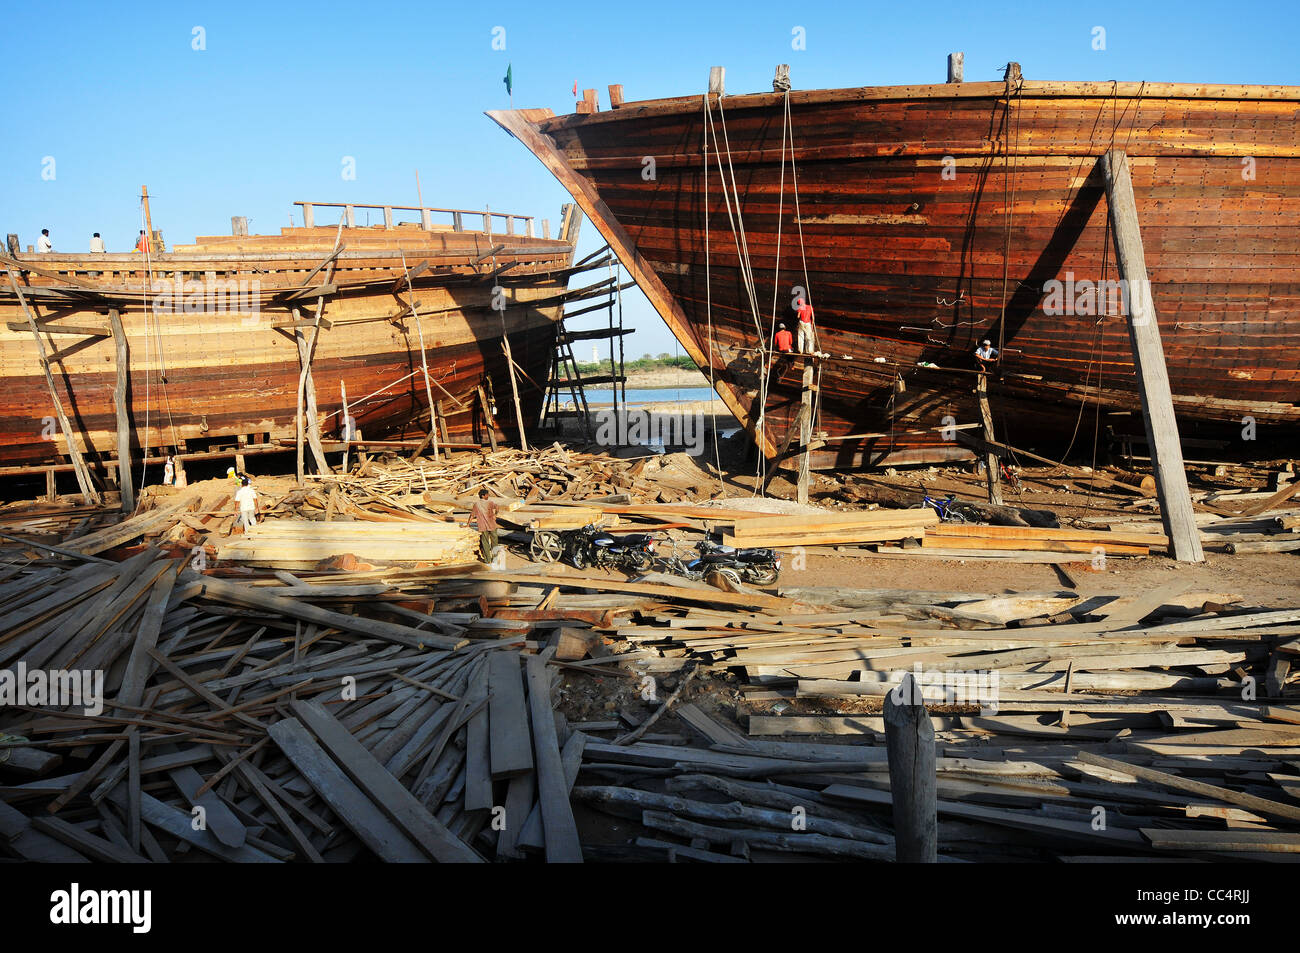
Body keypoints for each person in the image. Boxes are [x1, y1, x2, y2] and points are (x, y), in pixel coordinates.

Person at [467, 488, 499, 564]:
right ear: (483, 496)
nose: (488, 496)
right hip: (492, 525)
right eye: (487, 494)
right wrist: (495, 514)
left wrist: (468, 524)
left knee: (485, 544)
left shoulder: (476, 504)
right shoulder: (490, 503)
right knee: (495, 543)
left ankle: (488, 561)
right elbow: (497, 507)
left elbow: (472, 515)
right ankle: (495, 559)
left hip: (483, 526)